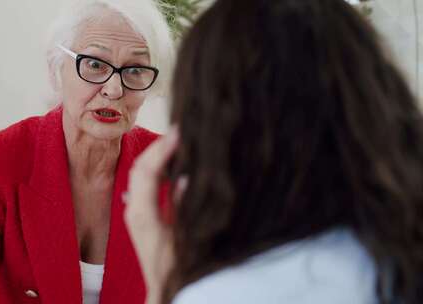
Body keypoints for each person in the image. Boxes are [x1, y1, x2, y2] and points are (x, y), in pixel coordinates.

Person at [125, 0, 423, 303]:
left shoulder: (228, 294)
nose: (113, 89)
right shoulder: (399, 258)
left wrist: (162, 284)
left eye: (134, 69)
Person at [0, 0, 174, 303]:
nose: (113, 90)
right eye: (95, 65)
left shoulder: (172, 168)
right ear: (57, 67)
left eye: (135, 70)